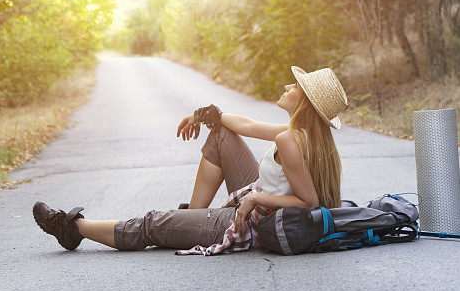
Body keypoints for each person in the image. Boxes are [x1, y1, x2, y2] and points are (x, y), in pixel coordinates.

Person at [32, 65, 348, 256]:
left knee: (153, 224)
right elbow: (246, 126)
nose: (287, 86)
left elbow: (309, 202)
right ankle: (194, 220)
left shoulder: (289, 140)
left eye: (295, 86)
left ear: (304, 100)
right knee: (221, 134)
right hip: (258, 200)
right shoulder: (304, 134)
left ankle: (72, 228)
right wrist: (202, 115)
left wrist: (257, 197)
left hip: (255, 220)